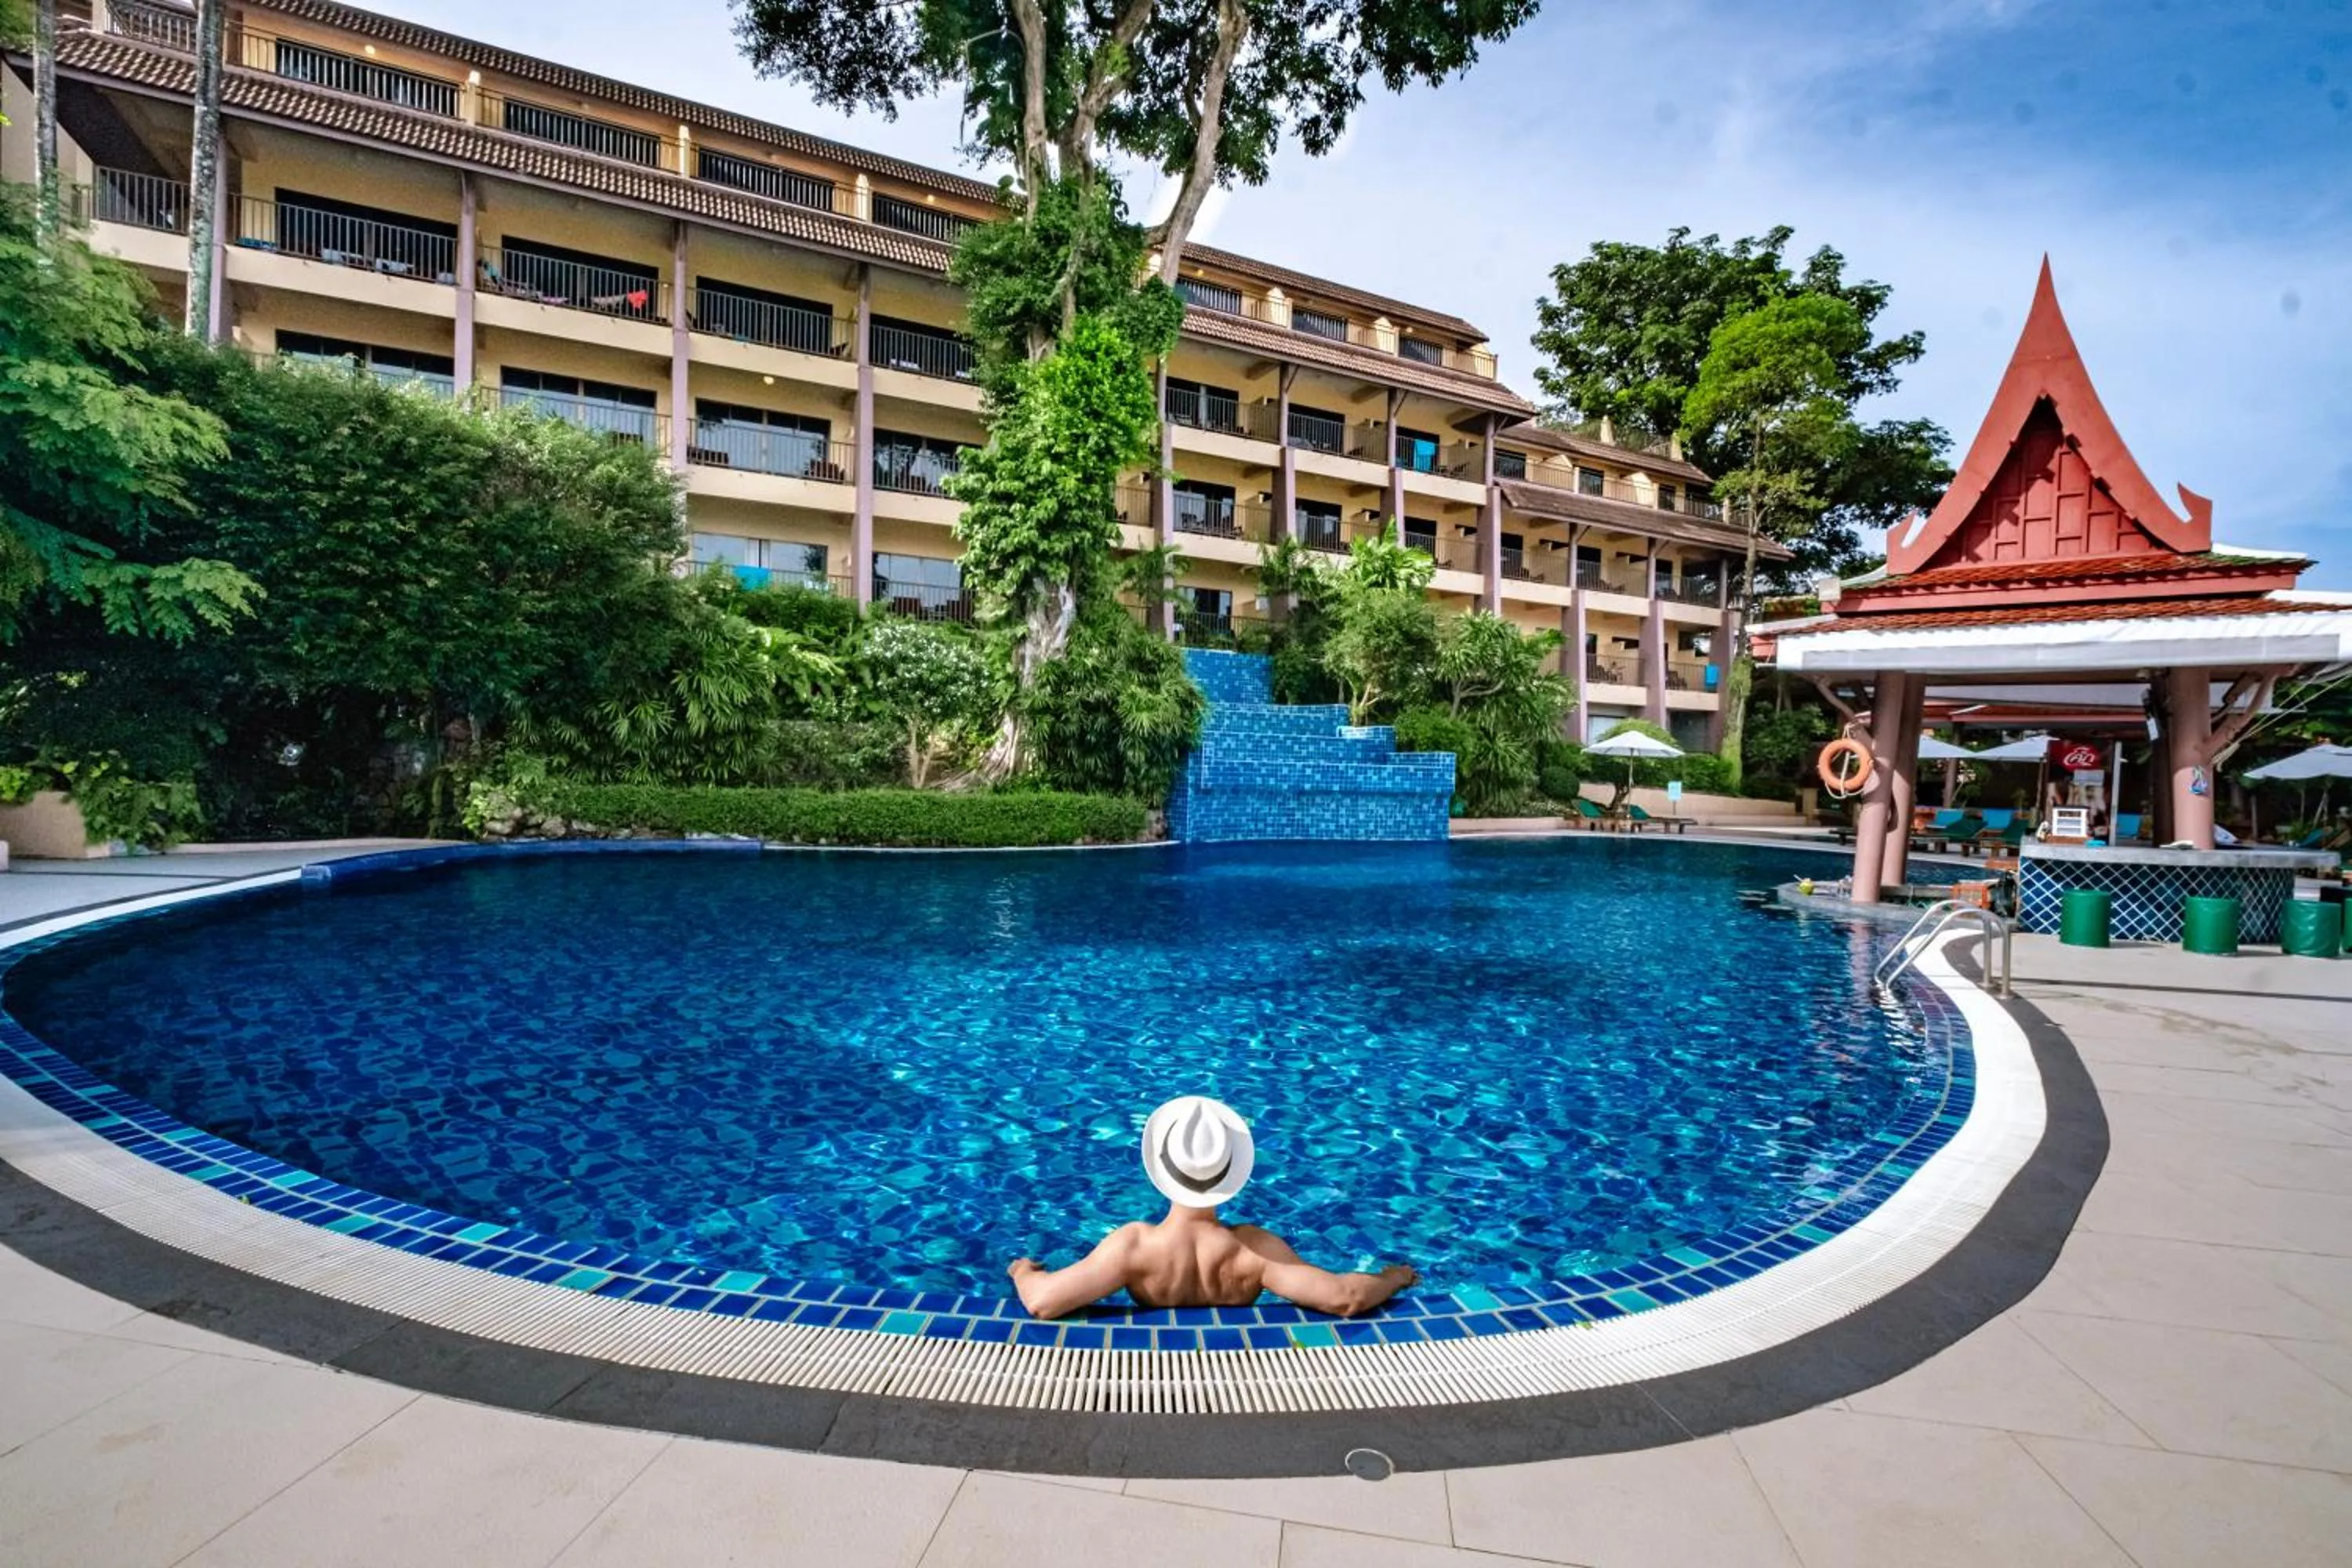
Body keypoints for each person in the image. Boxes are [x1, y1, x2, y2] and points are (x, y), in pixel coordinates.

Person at [1007, 1095, 1419, 1320]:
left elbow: (1043, 1303)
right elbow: (1345, 1297)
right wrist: (1393, 1279)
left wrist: (1023, 1271)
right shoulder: (1253, 1249)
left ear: (1160, 1170)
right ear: (1231, 1176)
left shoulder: (1134, 1246)